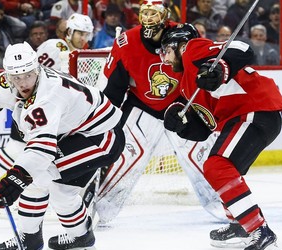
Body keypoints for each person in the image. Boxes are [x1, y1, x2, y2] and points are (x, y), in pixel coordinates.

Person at [0, 41, 125, 250]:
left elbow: (41, 151)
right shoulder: (5, 82)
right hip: (73, 133)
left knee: (35, 178)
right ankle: (81, 236)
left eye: (28, 75)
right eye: (16, 77)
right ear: (8, 75)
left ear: (37, 68)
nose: (23, 83)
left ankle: (29, 242)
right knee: (62, 191)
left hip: (101, 137)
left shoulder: (48, 97)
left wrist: (14, 181)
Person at [160, 23, 282, 250]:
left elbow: (242, 48)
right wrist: (181, 124)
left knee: (216, 166)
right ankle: (239, 222)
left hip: (253, 110)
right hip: (245, 116)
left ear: (179, 44)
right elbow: (204, 129)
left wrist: (221, 68)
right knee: (224, 171)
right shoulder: (187, 83)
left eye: (166, 50)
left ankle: (262, 234)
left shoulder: (192, 49)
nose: (165, 58)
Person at [92, 0, 224, 224]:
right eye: (146, 14)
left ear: (165, 17)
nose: (149, 20)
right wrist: (105, 125)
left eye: (155, 15)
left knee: (202, 158)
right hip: (141, 106)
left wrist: (215, 70)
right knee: (126, 157)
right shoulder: (126, 42)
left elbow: (207, 60)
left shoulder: (184, 35)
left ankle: (228, 207)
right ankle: (97, 213)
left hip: (182, 105)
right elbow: (114, 90)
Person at [0, 13, 94, 196]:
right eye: (80, 33)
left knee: (21, 148)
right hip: (31, 104)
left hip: (49, 108)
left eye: (86, 34)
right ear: (69, 32)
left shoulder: (78, 54)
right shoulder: (56, 46)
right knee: (17, 147)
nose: (83, 38)